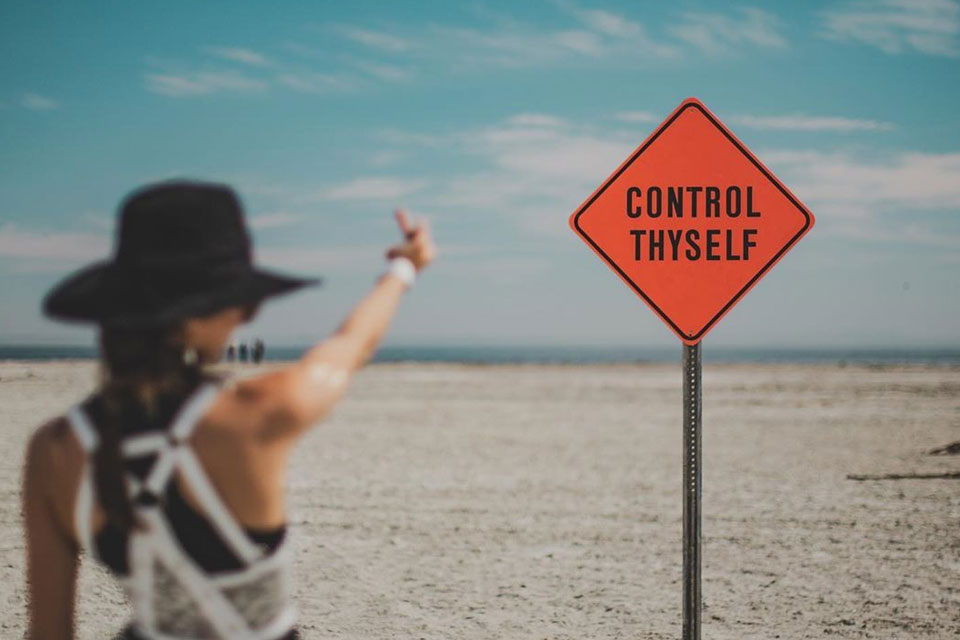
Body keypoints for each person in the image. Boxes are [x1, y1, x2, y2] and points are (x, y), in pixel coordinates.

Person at [22, 181, 434, 640]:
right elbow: (350, 346)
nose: (246, 316)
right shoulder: (258, 415)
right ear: (205, 312)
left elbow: (47, 634)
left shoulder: (53, 450)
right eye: (241, 301)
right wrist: (404, 268)